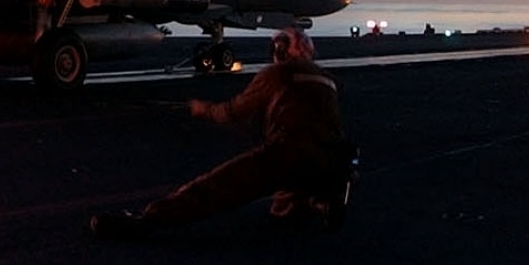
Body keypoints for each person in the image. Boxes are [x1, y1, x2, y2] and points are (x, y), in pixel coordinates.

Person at [90, 27, 356, 239]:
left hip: (287, 152)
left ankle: (147, 220)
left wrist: (202, 109)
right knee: (284, 211)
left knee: (215, 187)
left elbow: (231, 112)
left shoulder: (277, 74)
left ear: (281, 50)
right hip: (331, 159)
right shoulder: (329, 80)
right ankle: (318, 201)